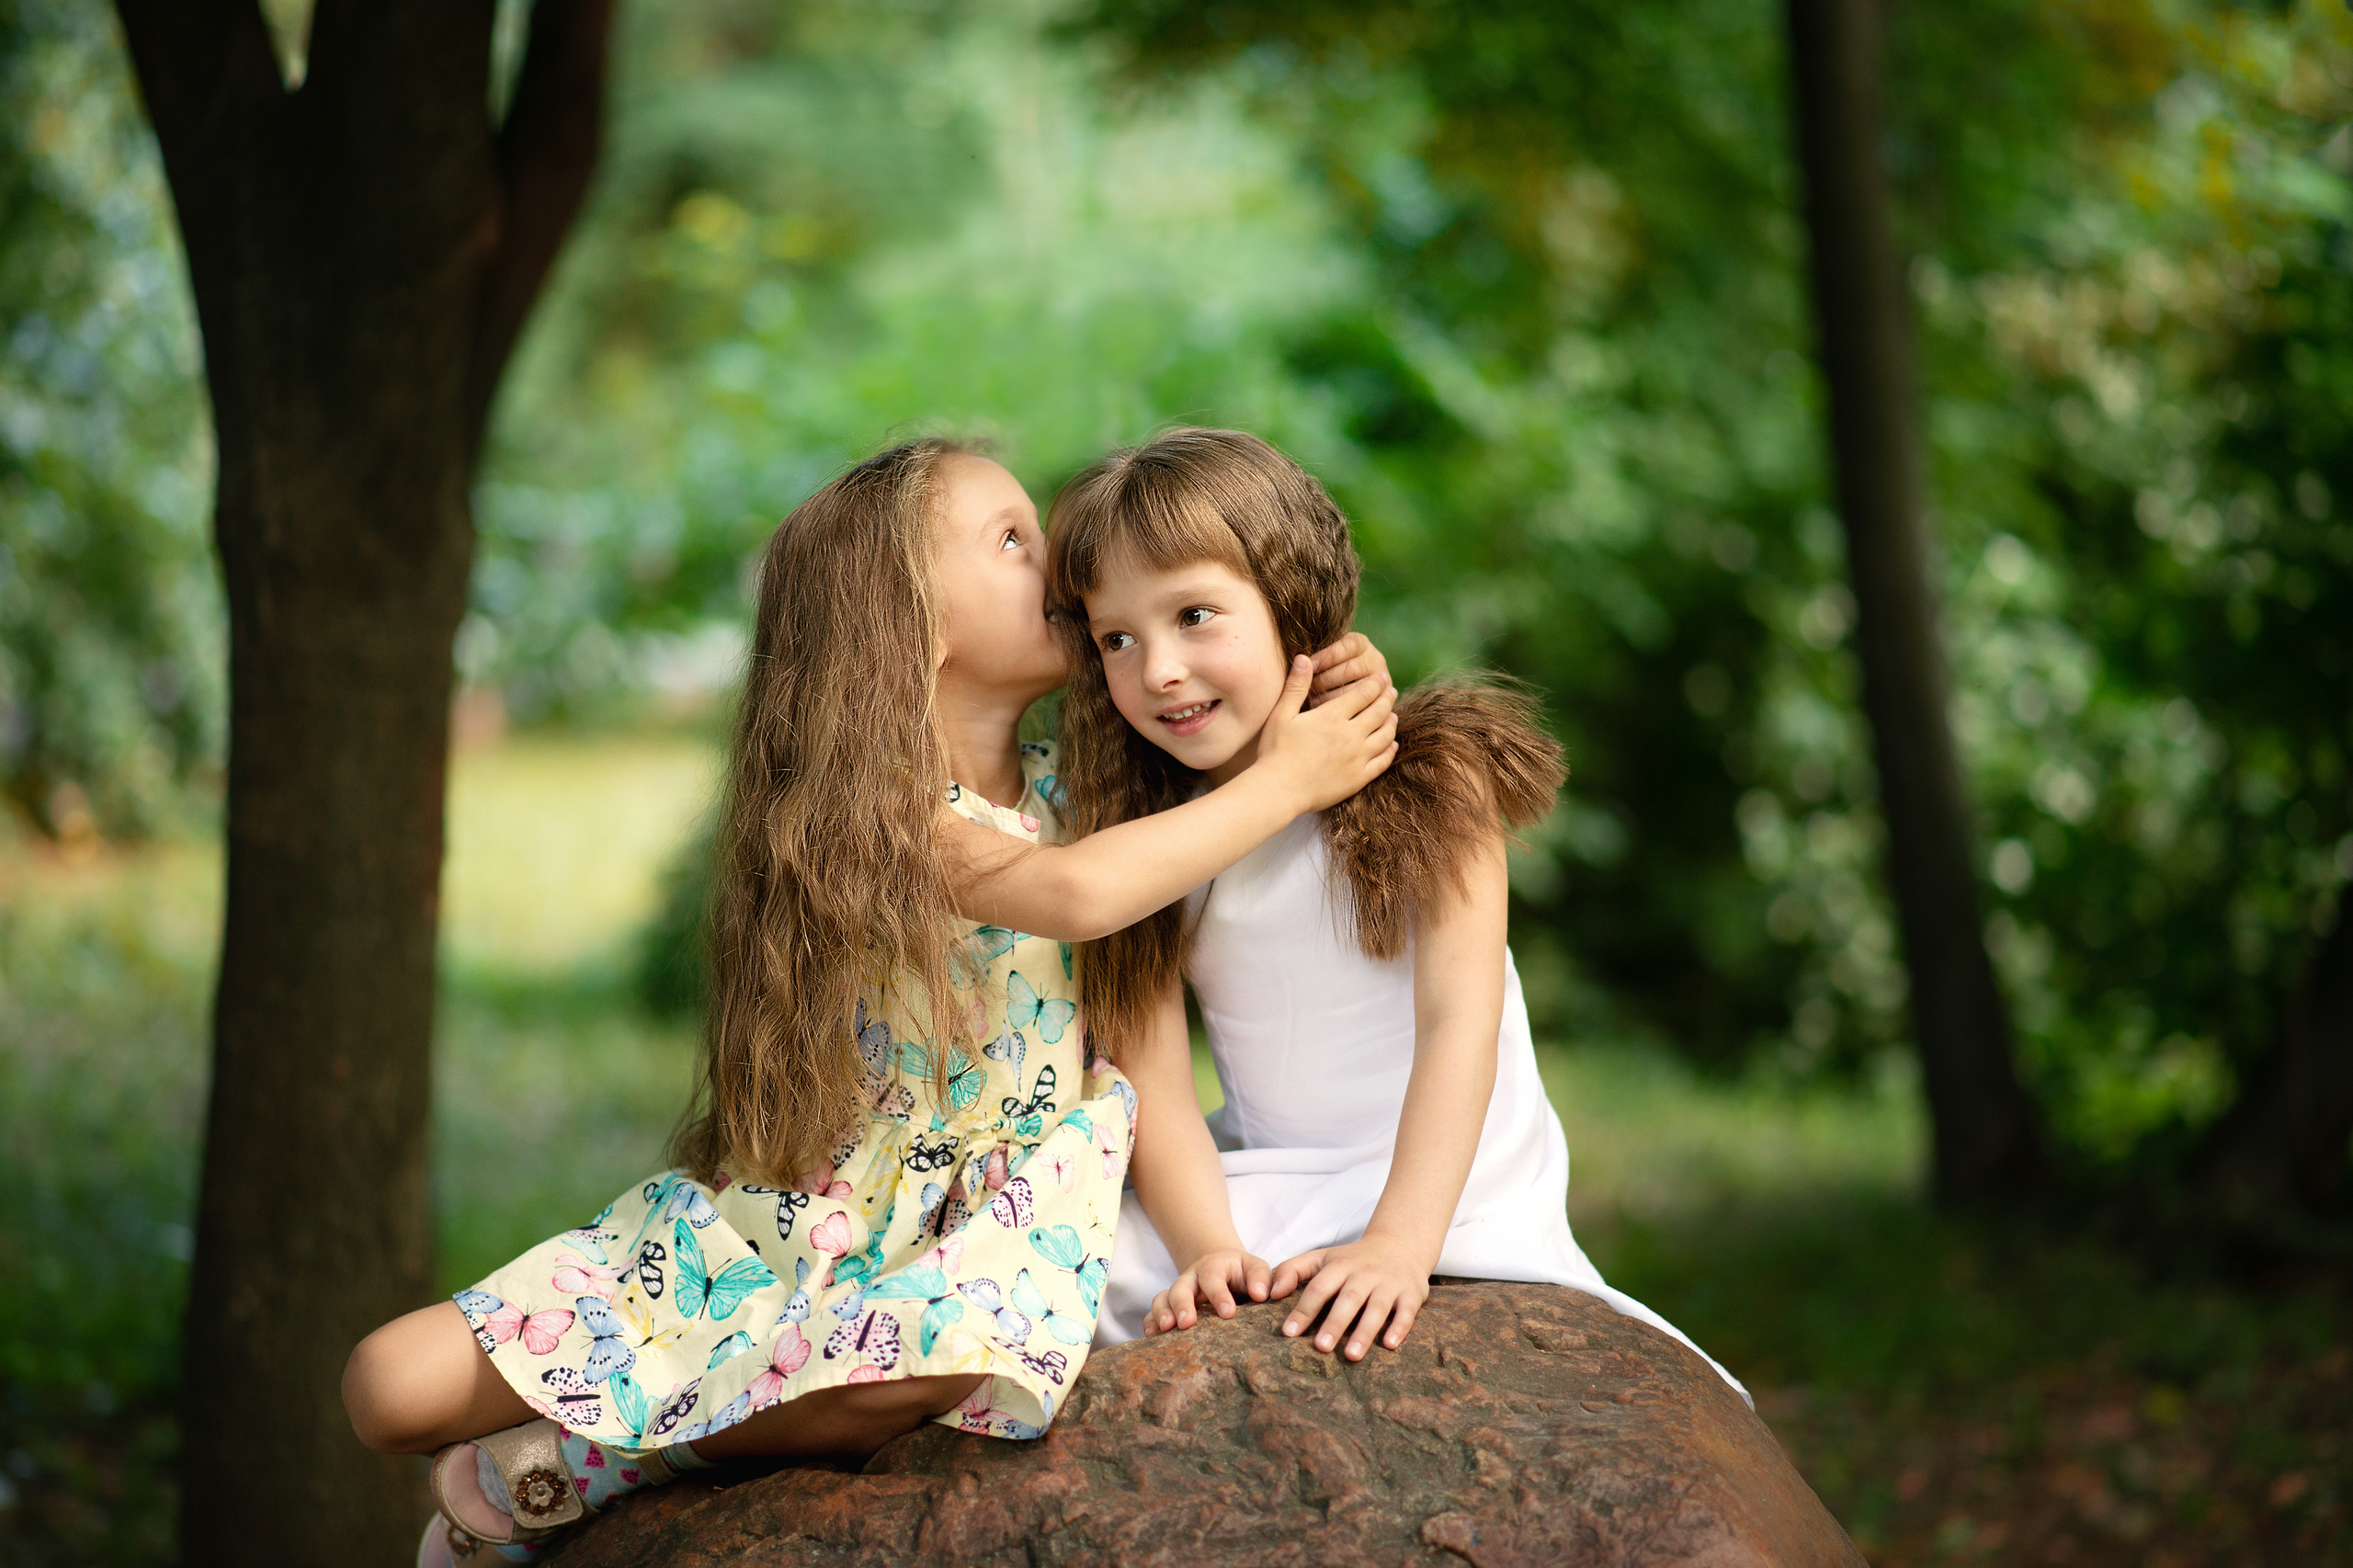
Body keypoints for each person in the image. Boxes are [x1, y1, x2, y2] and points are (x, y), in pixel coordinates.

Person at [339, 438, 1400, 1562]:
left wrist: (1208, 1248)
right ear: (914, 623)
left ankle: (577, 1464)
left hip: (973, 1232)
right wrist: (1289, 777)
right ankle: (631, 1410)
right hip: (807, 1211)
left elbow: (1151, 1075)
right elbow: (1072, 894)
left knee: (910, 1367)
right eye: (1011, 540)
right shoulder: (883, 818)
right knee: (385, 1384)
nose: (1054, 558)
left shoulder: (1102, 806)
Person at [1046, 426, 1741, 1393]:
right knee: (1040, 1276)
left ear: (1288, 598)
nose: (1158, 667)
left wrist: (1401, 1245)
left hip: (1445, 1174)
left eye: (1195, 614)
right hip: (1267, 1177)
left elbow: (1462, 1019)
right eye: (1117, 638)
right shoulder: (1147, 837)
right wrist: (1207, 1249)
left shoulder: (1429, 774)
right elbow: (1154, 1082)